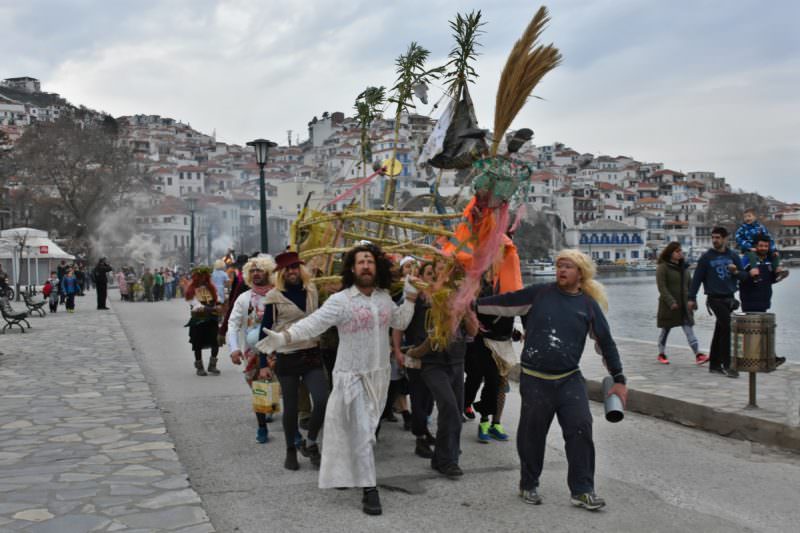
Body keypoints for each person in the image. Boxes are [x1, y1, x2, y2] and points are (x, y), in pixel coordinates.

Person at [257, 244, 417, 516]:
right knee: (364, 433)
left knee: (358, 431)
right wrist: (284, 338)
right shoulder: (341, 300)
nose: (366, 265)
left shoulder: (383, 298)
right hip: (350, 376)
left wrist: (411, 296)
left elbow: (400, 322)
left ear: (376, 267)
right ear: (352, 269)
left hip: (378, 377)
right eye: (360, 262)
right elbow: (314, 323)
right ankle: (370, 490)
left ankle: (344, 474)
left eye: (370, 261)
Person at [475, 249, 627, 511]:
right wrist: (470, 304)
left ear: (581, 273)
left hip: (569, 379)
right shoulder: (539, 293)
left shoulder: (588, 305)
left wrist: (619, 378)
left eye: (568, 266)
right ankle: (528, 483)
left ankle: (582, 490)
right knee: (532, 435)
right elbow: (504, 302)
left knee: (581, 429)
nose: (561, 271)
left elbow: (606, 342)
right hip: (535, 379)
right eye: (559, 266)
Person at [259, 251, 329, 470]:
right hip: (287, 356)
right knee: (290, 407)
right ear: (281, 273)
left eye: (295, 267)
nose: (292, 271)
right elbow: (265, 331)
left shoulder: (312, 290)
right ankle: (291, 449)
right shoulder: (274, 296)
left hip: (311, 352)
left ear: (301, 269)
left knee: (322, 400)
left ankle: (311, 442)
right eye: (288, 268)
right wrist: (263, 364)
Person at [227, 255, 277, 443]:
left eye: (260, 270)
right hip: (252, 351)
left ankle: (271, 406)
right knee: (257, 385)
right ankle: (262, 425)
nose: (256, 274)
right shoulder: (244, 298)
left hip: (277, 348)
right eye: (252, 270)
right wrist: (234, 348)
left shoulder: (278, 295)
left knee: (275, 383)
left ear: (269, 272)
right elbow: (233, 324)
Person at [688, 226, 749, 378]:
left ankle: (714, 364)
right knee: (727, 327)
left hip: (729, 298)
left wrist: (736, 272)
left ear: (725, 239)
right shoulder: (706, 257)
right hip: (714, 299)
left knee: (720, 330)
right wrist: (691, 298)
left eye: (718, 238)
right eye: (713, 237)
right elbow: (696, 280)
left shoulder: (733, 256)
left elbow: (744, 276)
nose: (715, 240)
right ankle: (728, 365)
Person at [392, 260, 436, 459]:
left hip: (436, 357)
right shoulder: (411, 298)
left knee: (429, 399)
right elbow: (398, 327)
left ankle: (424, 430)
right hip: (415, 352)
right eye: (428, 274)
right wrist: (397, 351)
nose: (432, 278)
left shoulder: (439, 298)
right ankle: (420, 438)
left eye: (435, 274)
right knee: (418, 398)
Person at [655, 242, 708, 365]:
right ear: (670, 253)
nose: (680, 253)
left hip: (684, 306)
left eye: (681, 251)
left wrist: (693, 301)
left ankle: (698, 354)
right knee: (665, 330)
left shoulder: (684, 268)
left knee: (689, 329)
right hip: (669, 307)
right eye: (677, 251)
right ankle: (661, 354)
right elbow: (662, 288)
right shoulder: (662, 267)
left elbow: (690, 286)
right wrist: (671, 302)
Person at [184, 266, 223, 376]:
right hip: (198, 320)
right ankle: (199, 367)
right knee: (197, 343)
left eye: (205, 277)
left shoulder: (211, 288)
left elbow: (218, 300)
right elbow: (196, 306)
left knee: (215, 341)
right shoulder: (191, 290)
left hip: (212, 319)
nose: (203, 279)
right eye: (200, 277)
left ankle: (212, 365)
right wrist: (212, 309)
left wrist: (220, 305)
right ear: (196, 278)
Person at [735, 208, 784, 276]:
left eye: (749, 216)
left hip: (760, 247)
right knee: (752, 254)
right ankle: (754, 270)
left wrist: (773, 249)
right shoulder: (742, 228)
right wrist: (748, 246)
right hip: (749, 248)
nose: (747, 218)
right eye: (745, 217)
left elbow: (769, 238)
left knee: (775, 254)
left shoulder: (760, 227)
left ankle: (777, 270)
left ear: (755, 217)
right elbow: (738, 238)